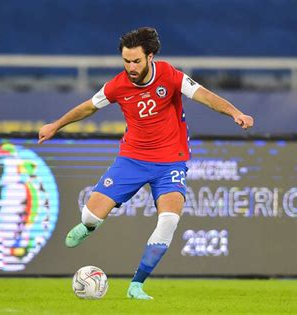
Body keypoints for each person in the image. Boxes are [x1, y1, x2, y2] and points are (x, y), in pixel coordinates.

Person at [38, 27, 254, 300]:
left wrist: (235, 112)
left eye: (136, 61)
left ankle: (136, 285)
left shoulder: (171, 76)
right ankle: (91, 226)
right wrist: (56, 125)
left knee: (168, 221)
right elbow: (89, 107)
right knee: (89, 216)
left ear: (150, 56)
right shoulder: (117, 86)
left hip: (170, 162)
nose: (130, 67)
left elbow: (205, 96)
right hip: (132, 159)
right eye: (126, 61)